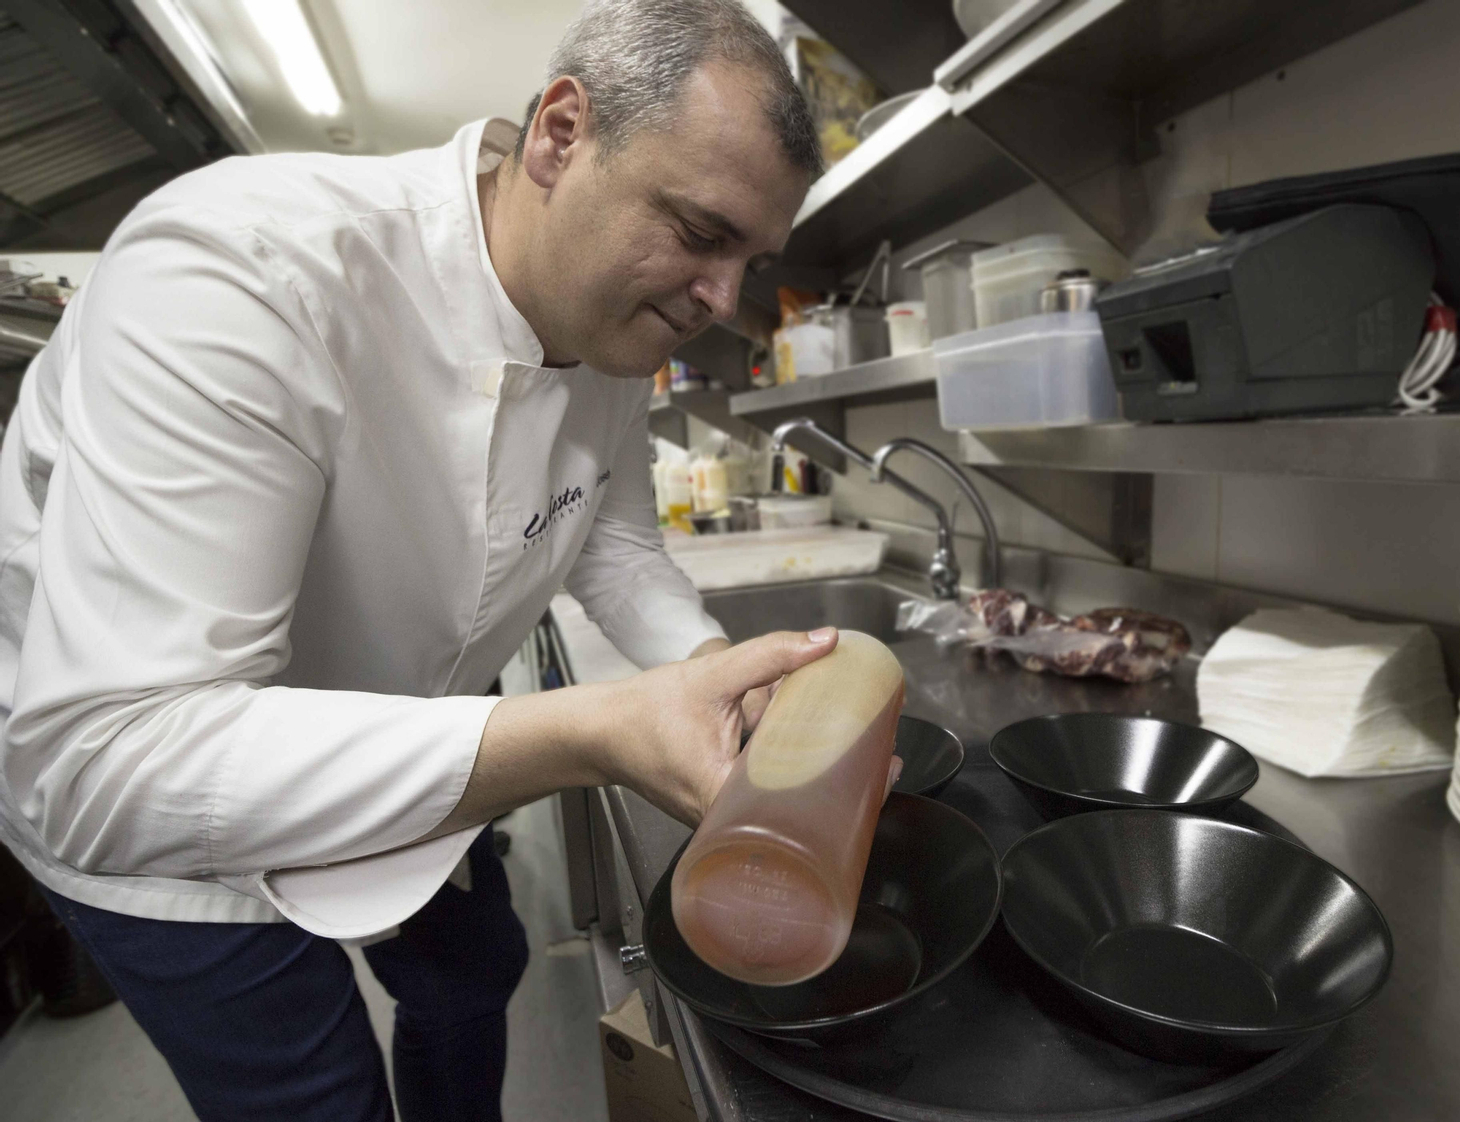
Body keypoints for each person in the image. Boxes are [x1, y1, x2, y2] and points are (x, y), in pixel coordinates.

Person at [0, 1, 854, 1117]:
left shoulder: (607, 314)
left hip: (411, 719)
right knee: (317, 1093)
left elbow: (614, 538)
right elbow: (107, 758)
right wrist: (595, 729)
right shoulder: (246, 271)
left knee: (473, 971)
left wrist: (725, 677)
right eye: (701, 233)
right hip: (166, 823)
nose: (722, 300)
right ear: (559, 133)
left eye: (752, 257)